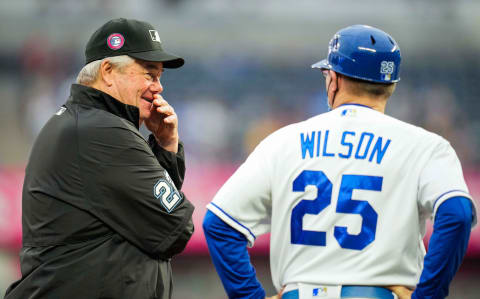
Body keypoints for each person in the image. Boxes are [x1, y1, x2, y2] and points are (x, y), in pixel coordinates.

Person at [203, 25, 477, 299]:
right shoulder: (426, 146)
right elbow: (457, 213)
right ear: (391, 85)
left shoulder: (282, 142)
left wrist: (250, 296)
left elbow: (218, 223)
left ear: (334, 79)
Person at [4, 18, 194, 299]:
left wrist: (166, 146)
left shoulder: (83, 123)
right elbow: (175, 227)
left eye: (159, 76)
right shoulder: (102, 131)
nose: (158, 87)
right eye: (148, 73)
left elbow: (153, 223)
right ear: (107, 71)